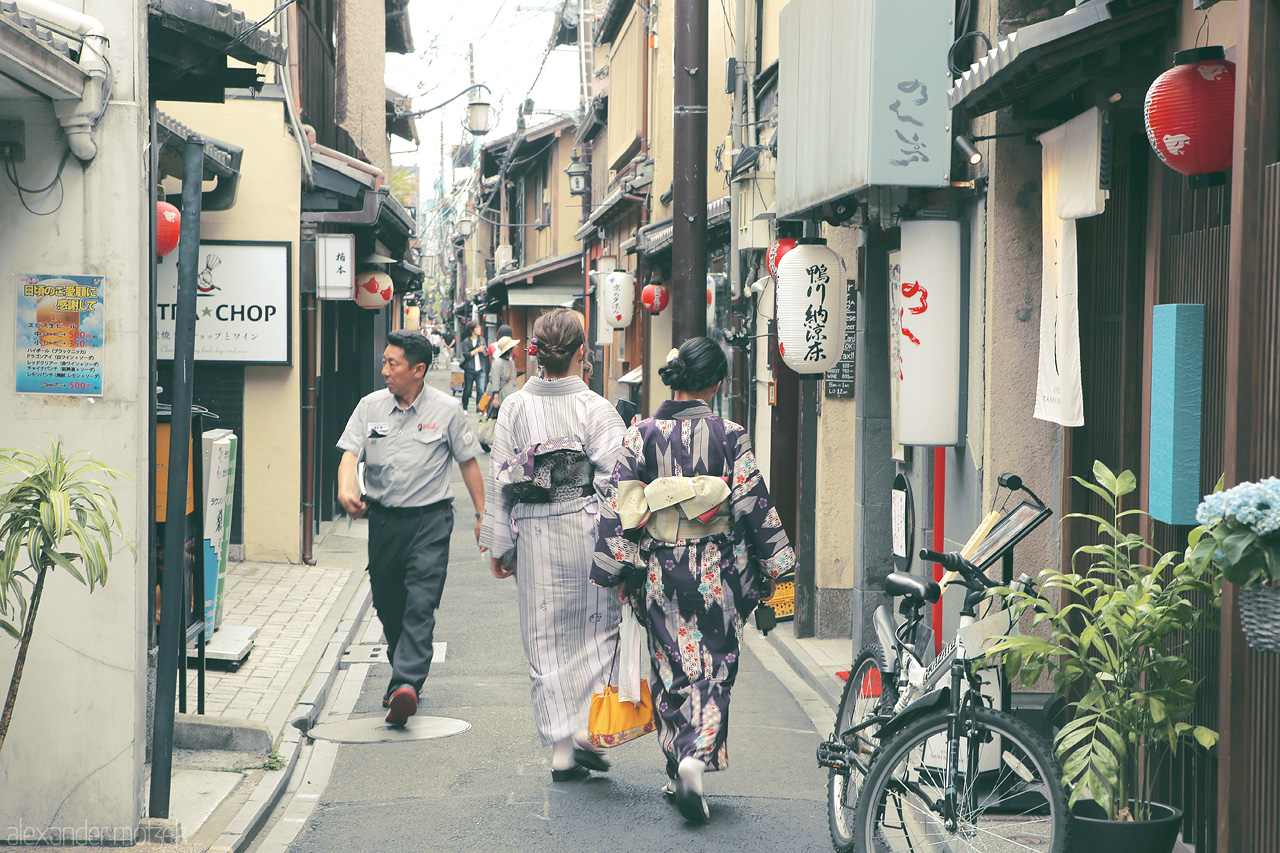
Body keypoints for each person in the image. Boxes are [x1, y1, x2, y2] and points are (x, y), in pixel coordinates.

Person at [591, 337, 796, 822]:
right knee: (715, 667)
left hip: (659, 568)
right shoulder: (730, 434)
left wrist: (615, 567)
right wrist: (776, 566)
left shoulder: (639, 434)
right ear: (718, 384)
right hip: (715, 568)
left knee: (670, 666)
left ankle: (675, 764)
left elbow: (621, 507)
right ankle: (691, 760)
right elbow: (750, 502)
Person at [480, 308, 627, 781]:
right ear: (583, 352)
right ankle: (585, 730)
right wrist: (622, 550)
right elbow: (619, 481)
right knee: (597, 631)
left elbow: (503, 479)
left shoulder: (515, 407)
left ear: (536, 352)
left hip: (536, 530)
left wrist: (500, 545)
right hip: (586, 529)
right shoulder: (597, 409)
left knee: (544, 640)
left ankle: (564, 746)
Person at [337, 329, 486, 726]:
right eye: (385, 361)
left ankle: (406, 684)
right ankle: (401, 679)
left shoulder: (448, 410)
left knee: (420, 602)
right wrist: (346, 486)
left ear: (418, 369)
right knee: (389, 606)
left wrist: (482, 513)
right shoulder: (370, 407)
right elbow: (350, 453)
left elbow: (469, 461)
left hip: (430, 521)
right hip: (383, 521)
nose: (384, 370)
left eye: (393, 363)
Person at [460, 321, 488, 412]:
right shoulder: (466, 342)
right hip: (469, 369)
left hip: (480, 369)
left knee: (481, 390)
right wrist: (477, 350)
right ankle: (464, 407)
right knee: (468, 389)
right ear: (472, 330)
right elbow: (466, 355)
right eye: (478, 328)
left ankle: (479, 409)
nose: (480, 329)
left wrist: (484, 352)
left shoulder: (482, 340)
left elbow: (484, 353)